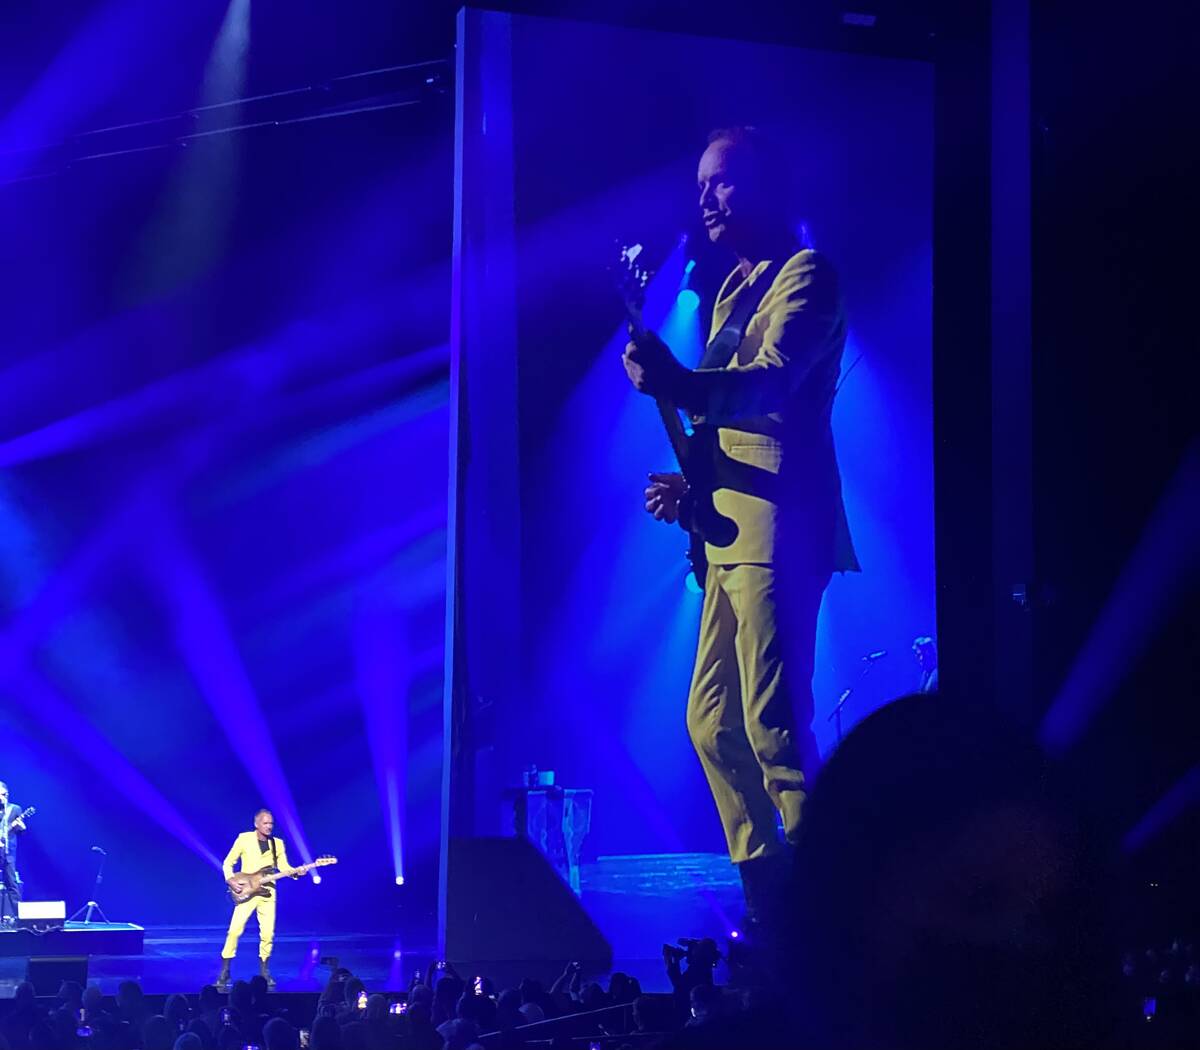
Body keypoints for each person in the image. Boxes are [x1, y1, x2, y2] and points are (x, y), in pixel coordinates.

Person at [623, 126, 858, 921]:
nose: (705, 197)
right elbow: (717, 420)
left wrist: (681, 382)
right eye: (701, 185)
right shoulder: (730, 292)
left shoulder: (808, 278)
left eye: (721, 181)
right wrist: (691, 491)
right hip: (727, 532)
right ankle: (768, 886)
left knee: (774, 725)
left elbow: (768, 385)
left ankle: (828, 894)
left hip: (782, 528)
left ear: (766, 184)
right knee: (711, 721)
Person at [218, 809, 299, 991]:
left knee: (268, 934)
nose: (269, 826)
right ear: (257, 824)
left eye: (271, 823)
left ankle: (264, 970)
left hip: (267, 893)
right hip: (247, 890)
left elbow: (284, 866)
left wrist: (295, 872)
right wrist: (230, 880)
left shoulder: (277, 843)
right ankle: (225, 970)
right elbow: (228, 862)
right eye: (265, 823)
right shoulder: (244, 839)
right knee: (234, 931)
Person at [0, 782, 28, 918]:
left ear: (5, 794)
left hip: (8, 851)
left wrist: (21, 826)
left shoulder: (14, 809)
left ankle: (18, 917)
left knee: (11, 883)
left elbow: (20, 831)